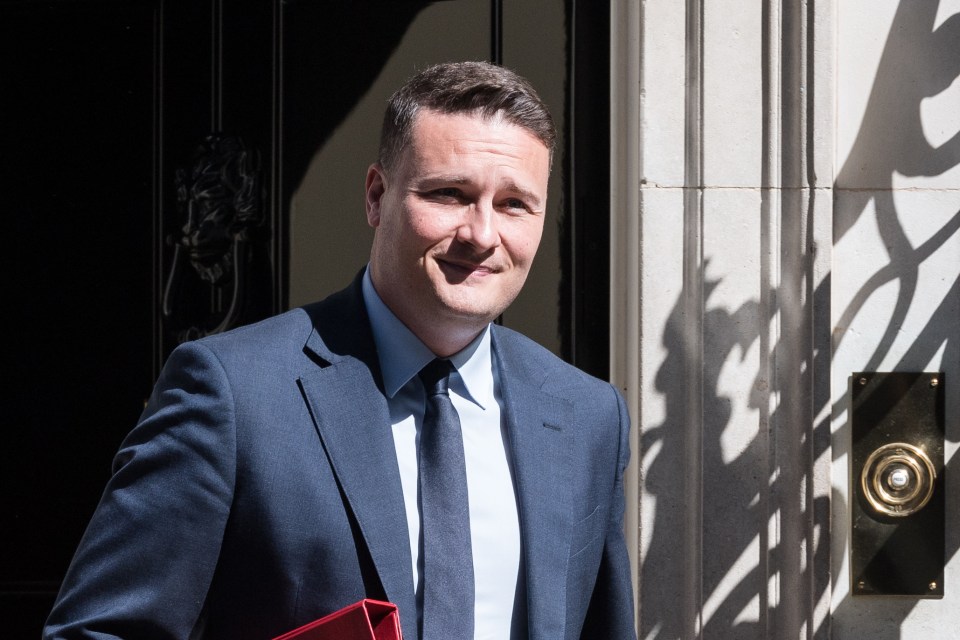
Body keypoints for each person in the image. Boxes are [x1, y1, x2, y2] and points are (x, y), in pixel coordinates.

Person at [43, 61, 636, 640]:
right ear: (377, 196)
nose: (482, 234)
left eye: (514, 204)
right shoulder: (232, 393)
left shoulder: (589, 417)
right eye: (450, 194)